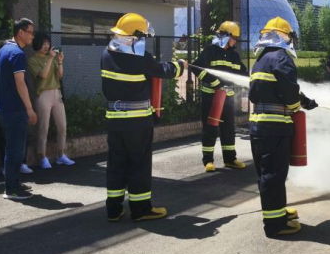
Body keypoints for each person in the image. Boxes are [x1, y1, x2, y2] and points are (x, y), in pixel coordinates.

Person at [101, 13, 187, 222]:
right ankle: (141, 210)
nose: (144, 40)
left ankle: (114, 209)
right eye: (142, 37)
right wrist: (181, 66)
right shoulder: (139, 58)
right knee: (138, 164)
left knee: (116, 163)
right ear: (135, 36)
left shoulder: (106, 54)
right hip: (138, 122)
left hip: (114, 120)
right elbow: (163, 70)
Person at [249, 17, 318, 238]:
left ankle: (277, 213)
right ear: (283, 37)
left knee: (267, 174)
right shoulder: (282, 58)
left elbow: (266, 90)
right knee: (274, 175)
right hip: (276, 127)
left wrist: (304, 99)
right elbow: (289, 93)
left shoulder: (261, 60)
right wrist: (298, 105)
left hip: (258, 126)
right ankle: (275, 225)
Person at [190, 21, 249, 173]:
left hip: (227, 98)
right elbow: (196, 68)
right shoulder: (210, 51)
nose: (235, 40)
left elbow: (242, 75)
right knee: (210, 129)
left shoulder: (234, 56)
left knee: (228, 129)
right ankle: (208, 161)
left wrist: (250, 83)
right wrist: (215, 83)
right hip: (211, 97)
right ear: (226, 35)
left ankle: (230, 159)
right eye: (234, 37)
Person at [0, 19, 38, 200]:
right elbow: (20, 83)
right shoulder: (17, 53)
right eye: (30, 32)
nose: (32, 36)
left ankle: (13, 183)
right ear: (21, 32)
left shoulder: (4, 50)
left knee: (11, 149)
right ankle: (11, 189)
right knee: (15, 150)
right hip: (16, 110)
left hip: (4, 109)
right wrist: (30, 109)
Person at [28, 33, 74, 169]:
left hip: (56, 92)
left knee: (62, 126)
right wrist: (50, 59)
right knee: (43, 127)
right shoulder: (32, 60)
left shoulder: (52, 58)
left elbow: (60, 75)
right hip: (43, 94)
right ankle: (42, 156)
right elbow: (43, 75)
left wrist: (59, 61)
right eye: (43, 44)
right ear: (37, 45)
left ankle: (61, 155)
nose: (46, 46)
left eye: (48, 43)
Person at [0, 40, 33, 176]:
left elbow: (24, 83)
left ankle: (21, 164)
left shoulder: (18, 63)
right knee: (6, 139)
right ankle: (6, 167)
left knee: (21, 137)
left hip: (19, 106)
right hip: (5, 108)